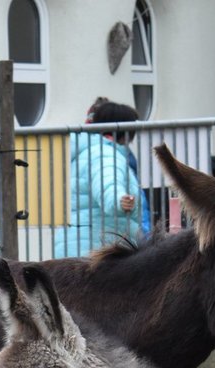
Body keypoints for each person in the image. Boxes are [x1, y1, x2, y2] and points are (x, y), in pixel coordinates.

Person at [52, 98, 146, 258]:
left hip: (76, 247)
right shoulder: (105, 154)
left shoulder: (85, 153)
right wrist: (119, 201)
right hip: (99, 251)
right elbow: (108, 184)